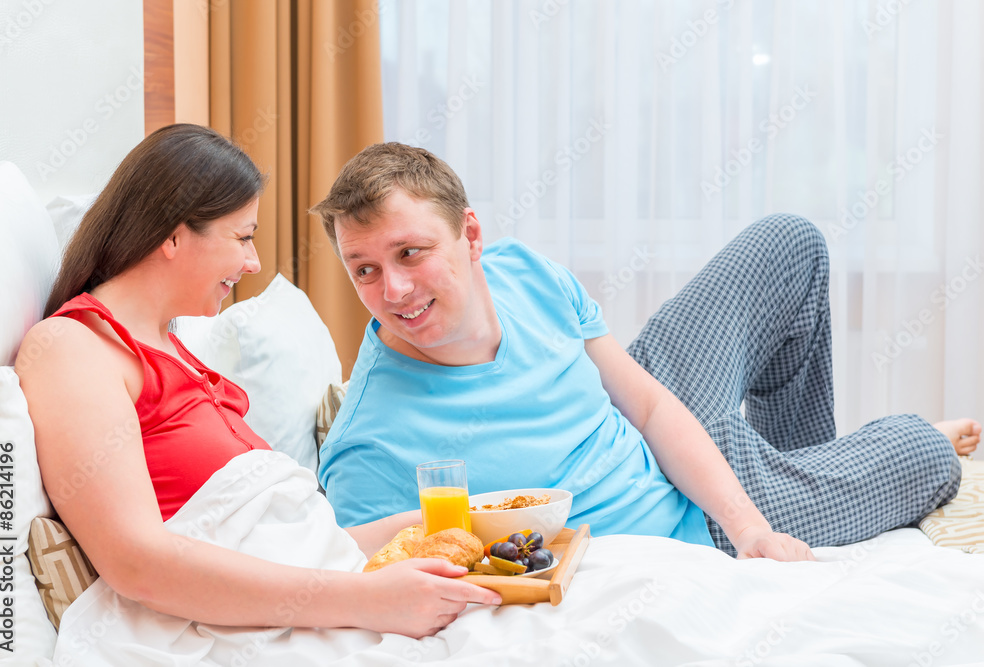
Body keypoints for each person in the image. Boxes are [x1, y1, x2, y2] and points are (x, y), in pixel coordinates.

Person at [311, 141, 980, 559]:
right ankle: (806, 477)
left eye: (411, 253)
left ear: (471, 235)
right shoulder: (370, 442)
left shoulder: (520, 271)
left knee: (790, 246)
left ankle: (795, 464)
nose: (392, 288)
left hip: (639, 416)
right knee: (920, 454)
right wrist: (741, 526)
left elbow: (652, 405)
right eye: (363, 268)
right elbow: (349, 562)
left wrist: (753, 528)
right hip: (679, 523)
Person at [16, 124, 500, 640]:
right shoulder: (72, 348)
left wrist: (464, 522)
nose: (254, 263)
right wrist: (370, 602)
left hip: (320, 597)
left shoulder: (174, 351)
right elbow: (136, 563)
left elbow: (291, 546)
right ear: (173, 235)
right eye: (243, 236)